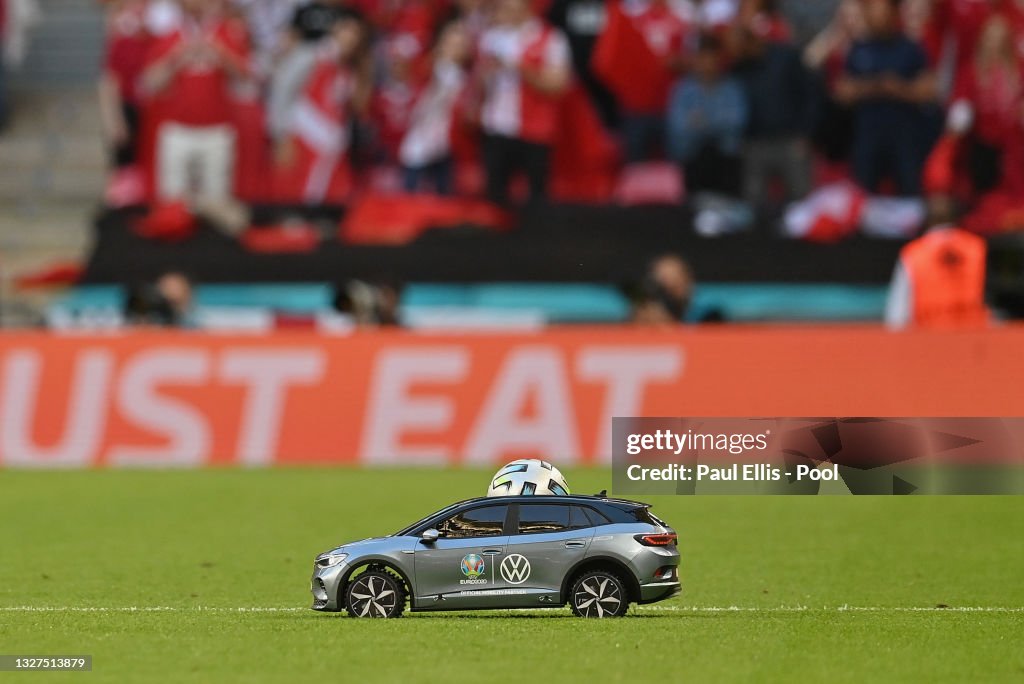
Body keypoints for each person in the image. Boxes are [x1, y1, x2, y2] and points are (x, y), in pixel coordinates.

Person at [140, 0, 250, 203]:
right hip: (178, 129)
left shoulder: (227, 34)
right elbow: (150, 83)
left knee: (216, 200)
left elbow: (246, 78)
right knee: (172, 201)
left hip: (217, 129)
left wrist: (220, 55)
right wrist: (177, 58)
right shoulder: (170, 36)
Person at [835, 0, 939, 196]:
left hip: (905, 135)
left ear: (894, 13)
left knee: (910, 192)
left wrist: (899, 88)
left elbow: (929, 90)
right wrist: (875, 86)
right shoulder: (859, 49)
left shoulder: (910, 48)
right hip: (867, 135)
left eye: (880, 10)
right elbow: (842, 92)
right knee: (863, 196)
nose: (874, 16)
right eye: (870, 10)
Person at [477, 0, 572, 205]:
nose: (503, 12)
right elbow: (479, 83)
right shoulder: (492, 38)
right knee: (495, 195)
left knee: (536, 195)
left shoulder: (550, 38)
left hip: (535, 129)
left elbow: (558, 85)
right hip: (497, 125)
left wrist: (521, 69)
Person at [734, 19, 815, 210]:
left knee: (801, 201)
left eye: (739, 47)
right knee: (754, 202)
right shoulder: (738, 68)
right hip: (755, 143)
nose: (736, 52)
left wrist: (807, 133)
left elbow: (811, 95)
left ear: (751, 41)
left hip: (791, 140)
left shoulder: (786, 57)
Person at [665, 32, 747, 195]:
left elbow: (737, 122)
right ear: (696, 59)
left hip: (726, 157)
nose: (708, 63)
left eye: (712, 58)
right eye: (703, 58)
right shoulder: (683, 90)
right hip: (693, 157)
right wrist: (716, 122)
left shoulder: (732, 88)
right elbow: (679, 127)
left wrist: (701, 121)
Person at [399, 19, 471, 194]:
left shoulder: (464, 79)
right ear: (441, 43)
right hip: (419, 142)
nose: (455, 49)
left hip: (446, 145)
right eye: (451, 43)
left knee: (442, 194)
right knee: (410, 193)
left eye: (460, 44)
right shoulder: (428, 68)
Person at [885, 223, 990, 329]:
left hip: (927, 335)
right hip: (972, 332)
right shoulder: (978, 246)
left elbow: (898, 309)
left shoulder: (913, 251)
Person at [99, 0, 151, 169]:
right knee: (126, 165)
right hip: (128, 104)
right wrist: (113, 120)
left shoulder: (160, 39)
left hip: (153, 109)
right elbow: (110, 81)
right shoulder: (122, 42)